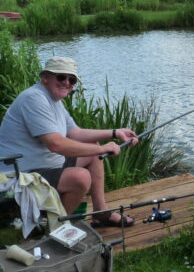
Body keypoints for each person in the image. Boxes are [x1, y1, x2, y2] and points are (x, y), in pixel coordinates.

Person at [0, 56, 138, 226]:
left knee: (92, 151)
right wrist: (103, 150)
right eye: (61, 77)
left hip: (43, 167)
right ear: (45, 77)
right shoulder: (34, 98)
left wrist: (115, 133)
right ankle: (56, 228)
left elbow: (74, 133)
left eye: (72, 80)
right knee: (80, 177)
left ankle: (101, 213)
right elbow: (56, 144)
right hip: (17, 176)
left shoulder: (54, 101)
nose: (67, 82)